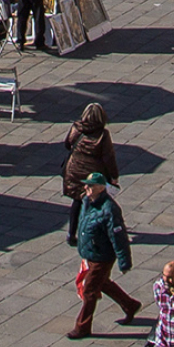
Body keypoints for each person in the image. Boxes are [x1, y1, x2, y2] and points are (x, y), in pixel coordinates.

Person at [68, 171, 139, 339]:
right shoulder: (88, 201)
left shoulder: (110, 209)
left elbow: (119, 237)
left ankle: (82, 326)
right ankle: (130, 305)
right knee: (102, 283)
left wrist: (124, 262)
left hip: (102, 256)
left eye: (90, 185)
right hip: (92, 253)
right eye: (86, 184)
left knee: (89, 290)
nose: (86, 188)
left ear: (100, 188)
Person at [63, 101, 119, 245]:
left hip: (74, 169)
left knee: (77, 200)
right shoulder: (103, 135)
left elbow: (67, 143)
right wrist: (114, 176)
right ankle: (93, 233)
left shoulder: (76, 128)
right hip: (93, 173)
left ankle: (71, 233)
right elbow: (108, 157)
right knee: (95, 202)